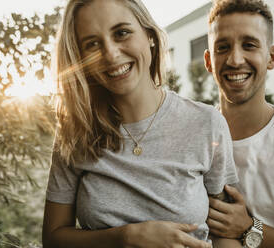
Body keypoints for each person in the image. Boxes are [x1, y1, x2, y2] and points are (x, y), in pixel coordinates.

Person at [42, 0, 239, 247]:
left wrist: (254, 229)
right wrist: (125, 237)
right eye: (92, 44)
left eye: (121, 33)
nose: (111, 54)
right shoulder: (75, 132)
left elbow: (227, 235)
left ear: (150, 36)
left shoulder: (206, 123)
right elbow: (53, 238)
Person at [203, 0, 274, 247]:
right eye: (222, 47)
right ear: (209, 61)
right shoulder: (195, 136)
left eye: (249, 45)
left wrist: (250, 229)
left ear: (271, 57)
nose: (235, 59)